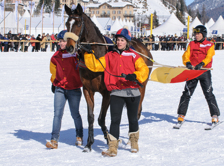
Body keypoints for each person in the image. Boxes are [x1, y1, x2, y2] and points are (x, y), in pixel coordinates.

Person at [83, 28, 149, 157]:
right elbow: (96, 65)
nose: (119, 42)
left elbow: (144, 69)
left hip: (132, 92)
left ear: (127, 42)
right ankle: (112, 148)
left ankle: (134, 143)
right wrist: (88, 53)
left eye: (122, 40)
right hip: (116, 92)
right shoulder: (109, 56)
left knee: (132, 120)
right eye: (118, 40)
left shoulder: (134, 55)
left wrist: (135, 76)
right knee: (115, 121)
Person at [46, 30, 83, 149]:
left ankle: (79, 135)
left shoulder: (76, 54)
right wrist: (54, 82)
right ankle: (54, 139)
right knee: (57, 114)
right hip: (60, 89)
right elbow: (53, 71)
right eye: (60, 41)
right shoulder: (55, 56)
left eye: (63, 41)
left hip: (74, 89)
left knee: (75, 114)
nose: (61, 44)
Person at [176, 25, 220, 125]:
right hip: (193, 72)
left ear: (203, 34)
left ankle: (215, 115)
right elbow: (186, 55)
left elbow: (209, 56)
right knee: (186, 93)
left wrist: (202, 64)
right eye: (195, 34)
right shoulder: (191, 44)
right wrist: (187, 62)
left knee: (208, 94)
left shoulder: (210, 44)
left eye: (199, 34)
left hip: (204, 72)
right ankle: (181, 115)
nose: (197, 36)